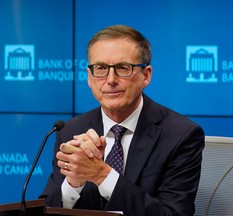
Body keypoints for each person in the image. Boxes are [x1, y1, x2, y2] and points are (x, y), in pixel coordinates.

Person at [40, 24, 205, 216]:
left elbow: (174, 214)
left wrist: (102, 175)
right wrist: (73, 184)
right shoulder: (70, 131)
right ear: (89, 78)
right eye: (101, 68)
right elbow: (46, 209)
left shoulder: (180, 135)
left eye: (122, 68)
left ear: (146, 75)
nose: (110, 79)